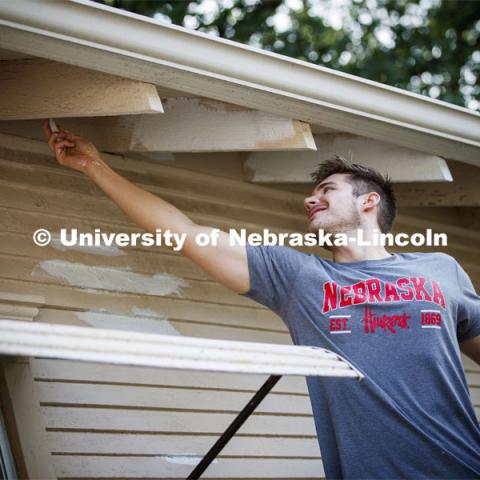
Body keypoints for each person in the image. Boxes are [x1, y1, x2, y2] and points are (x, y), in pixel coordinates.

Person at [44, 121, 480, 479]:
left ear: (369, 202)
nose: (312, 198)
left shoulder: (440, 269)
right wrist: (93, 165)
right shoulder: (299, 277)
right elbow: (188, 235)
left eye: (327, 189)